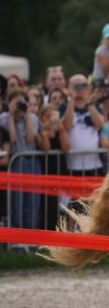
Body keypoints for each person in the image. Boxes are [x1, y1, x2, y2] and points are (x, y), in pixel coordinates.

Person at [1, 88, 41, 229]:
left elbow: (30, 139)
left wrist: (26, 116)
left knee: (33, 200)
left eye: (21, 101)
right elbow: (12, 140)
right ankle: (17, 237)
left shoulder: (33, 118)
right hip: (16, 162)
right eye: (15, 102)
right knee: (17, 201)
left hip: (32, 162)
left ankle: (31, 236)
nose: (18, 105)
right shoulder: (4, 118)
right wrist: (12, 116)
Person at [62, 74, 105, 178]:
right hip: (73, 166)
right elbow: (67, 126)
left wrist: (89, 102)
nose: (79, 88)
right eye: (75, 86)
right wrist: (72, 99)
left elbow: (100, 124)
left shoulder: (94, 106)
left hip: (94, 164)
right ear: (69, 88)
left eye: (83, 85)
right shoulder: (64, 106)